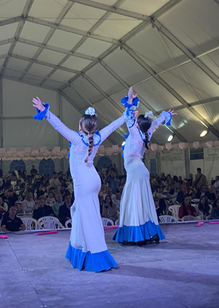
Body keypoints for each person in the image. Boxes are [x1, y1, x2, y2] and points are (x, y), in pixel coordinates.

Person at [32, 91, 128, 273]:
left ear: (81, 126)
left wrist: (46, 111)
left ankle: (96, 254)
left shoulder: (77, 139)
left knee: (89, 218)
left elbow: (59, 126)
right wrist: (126, 114)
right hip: (93, 178)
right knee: (77, 212)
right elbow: (113, 126)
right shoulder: (97, 137)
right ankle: (77, 249)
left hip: (84, 182)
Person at [113, 90, 172, 245]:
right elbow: (156, 123)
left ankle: (137, 234)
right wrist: (165, 115)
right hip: (140, 170)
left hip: (135, 171)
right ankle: (147, 232)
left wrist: (131, 102)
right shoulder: (147, 134)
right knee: (143, 201)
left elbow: (128, 119)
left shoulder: (135, 133)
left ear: (137, 124)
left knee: (134, 201)